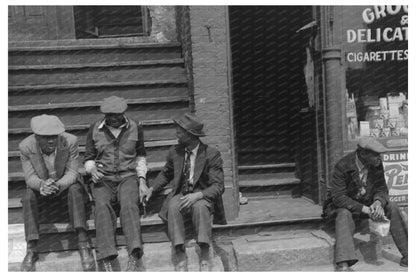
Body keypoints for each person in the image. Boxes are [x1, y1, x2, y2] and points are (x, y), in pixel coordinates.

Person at [143, 113, 226, 271]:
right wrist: (151, 189)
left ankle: (204, 251)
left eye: (180, 131)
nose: (177, 134)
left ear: (191, 135)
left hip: (202, 193)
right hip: (182, 192)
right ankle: (179, 251)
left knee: (200, 208)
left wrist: (198, 195)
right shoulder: (176, 151)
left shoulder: (211, 154)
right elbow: (166, 173)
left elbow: (218, 186)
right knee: (173, 206)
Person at [19, 114, 94, 271]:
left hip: (64, 187)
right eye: (46, 137)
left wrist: (57, 185)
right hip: (43, 190)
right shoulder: (25, 146)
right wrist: (42, 185)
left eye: (54, 136)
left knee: (75, 188)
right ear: (36, 136)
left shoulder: (70, 141)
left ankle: (83, 243)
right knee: (27, 196)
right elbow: (29, 177)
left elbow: (73, 173)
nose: (51, 140)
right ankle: (32, 248)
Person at [84, 96, 148, 271]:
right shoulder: (94, 128)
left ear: (124, 113)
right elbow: (88, 158)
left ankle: (135, 254)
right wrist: (92, 170)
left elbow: (141, 156)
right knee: (102, 207)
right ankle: (107, 257)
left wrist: (142, 181)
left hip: (128, 176)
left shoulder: (136, 126)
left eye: (117, 115)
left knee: (129, 205)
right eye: (109, 115)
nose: (113, 118)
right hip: (103, 178)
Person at [324, 137, 408, 271]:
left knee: (392, 206)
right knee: (344, 213)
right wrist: (366, 209)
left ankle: (408, 255)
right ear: (363, 154)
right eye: (376, 154)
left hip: (368, 204)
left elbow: (381, 188)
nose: (379, 158)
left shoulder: (375, 164)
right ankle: (343, 262)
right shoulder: (343, 166)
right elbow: (339, 198)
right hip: (346, 208)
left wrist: (378, 202)